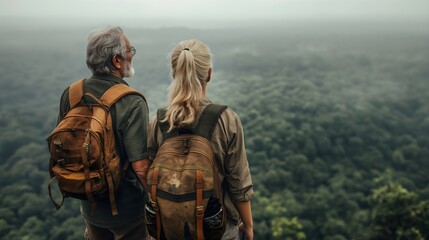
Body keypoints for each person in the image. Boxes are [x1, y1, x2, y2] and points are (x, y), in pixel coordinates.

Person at [144, 39, 254, 240]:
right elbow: (239, 184)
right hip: (218, 230)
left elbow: (147, 178)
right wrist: (247, 226)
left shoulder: (158, 122)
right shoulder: (227, 119)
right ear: (209, 74)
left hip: (167, 230)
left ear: (173, 73)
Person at [55, 26, 150, 240]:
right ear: (116, 61)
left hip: (90, 206)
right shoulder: (131, 101)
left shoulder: (71, 94)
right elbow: (141, 167)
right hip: (129, 213)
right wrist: (159, 202)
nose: (131, 56)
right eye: (129, 51)